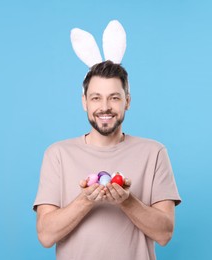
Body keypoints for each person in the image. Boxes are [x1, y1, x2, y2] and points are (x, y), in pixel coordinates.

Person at [32, 20, 181, 260]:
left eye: (114, 98)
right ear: (84, 102)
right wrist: (85, 200)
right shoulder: (57, 154)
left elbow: (164, 234)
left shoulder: (153, 153)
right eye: (96, 98)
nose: (104, 107)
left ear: (127, 101)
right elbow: (46, 236)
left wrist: (127, 201)